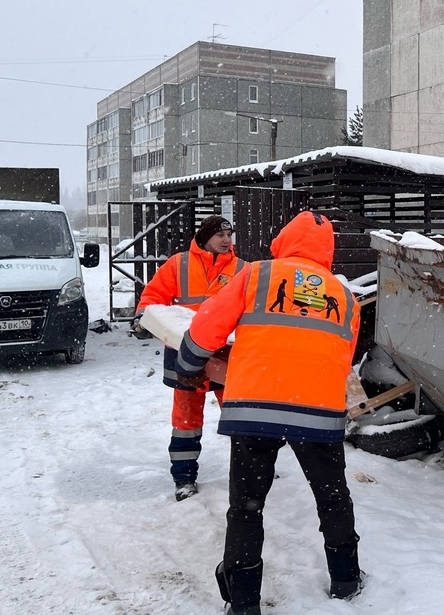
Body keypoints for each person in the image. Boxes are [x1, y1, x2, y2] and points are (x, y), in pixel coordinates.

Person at [175, 211, 362, 615]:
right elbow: (342, 358)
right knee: (332, 497)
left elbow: (207, 326)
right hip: (318, 413)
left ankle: (243, 602)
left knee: (246, 505)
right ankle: (346, 578)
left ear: (283, 241)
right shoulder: (345, 296)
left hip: (255, 408)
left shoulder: (257, 275)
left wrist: (188, 365)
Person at [132, 214, 245, 501]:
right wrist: (142, 318)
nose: (226, 240)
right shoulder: (179, 264)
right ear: (205, 237)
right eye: (220, 235)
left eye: (229, 235)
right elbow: (154, 296)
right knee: (186, 419)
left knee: (239, 415)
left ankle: (252, 470)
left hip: (226, 354)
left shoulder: (243, 269)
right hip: (186, 352)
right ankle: (184, 478)